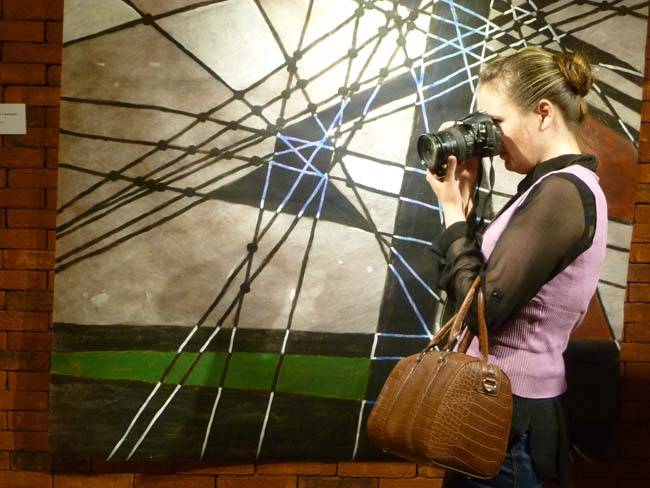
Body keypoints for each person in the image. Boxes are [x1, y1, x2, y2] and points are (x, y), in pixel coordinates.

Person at [425, 46, 608, 488]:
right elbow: (481, 285)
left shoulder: (562, 193)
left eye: (496, 122)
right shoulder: (548, 188)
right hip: (497, 408)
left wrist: (451, 214)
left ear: (543, 113)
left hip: (507, 418)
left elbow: (482, 311)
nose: (488, 138)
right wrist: (464, 205)